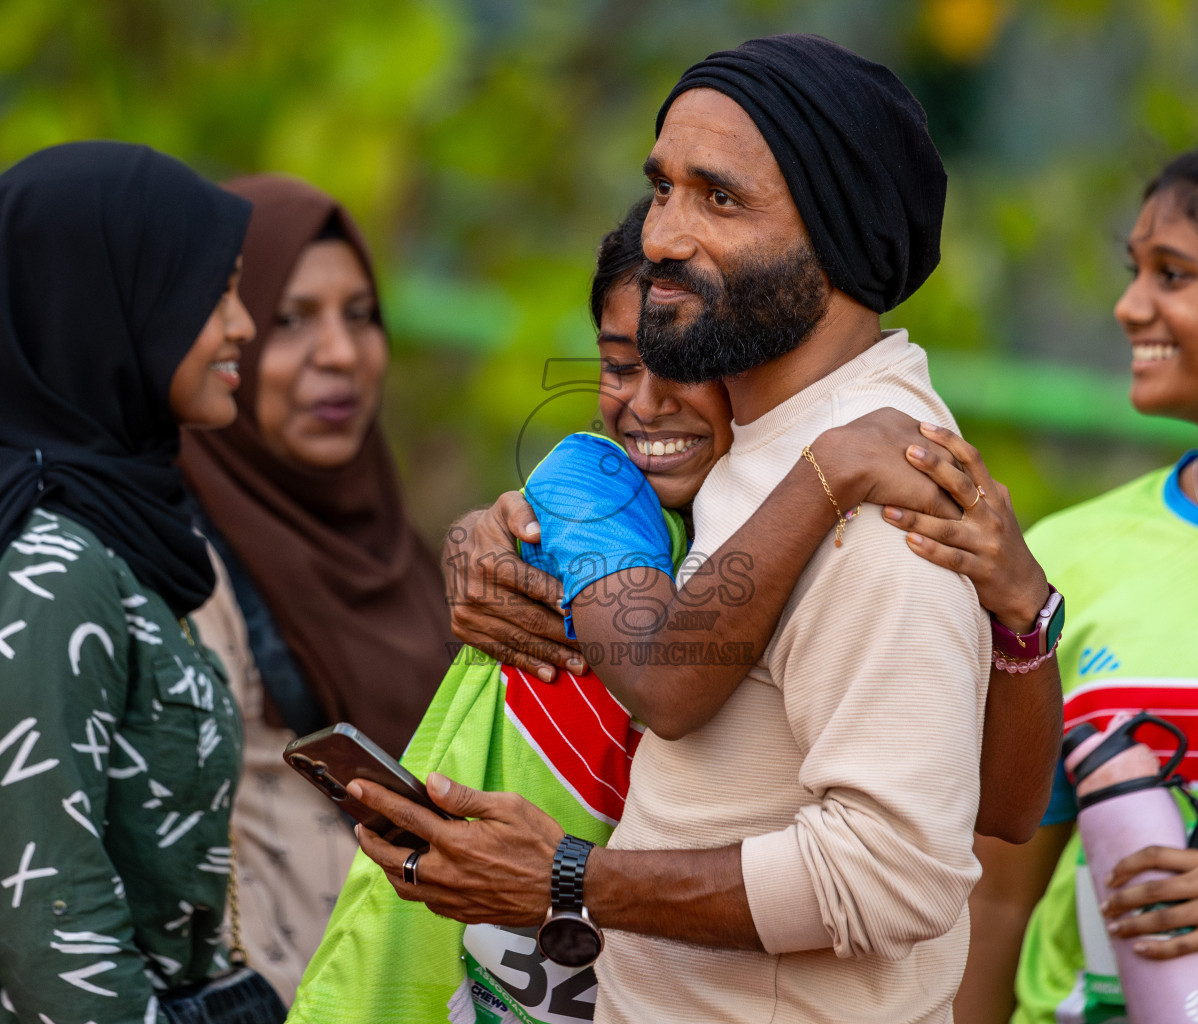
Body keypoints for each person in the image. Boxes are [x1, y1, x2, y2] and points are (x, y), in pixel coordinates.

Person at [346, 36, 1071, 1024]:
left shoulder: (889, 508)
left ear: (838, 234)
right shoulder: (778, 445)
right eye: (663, 189)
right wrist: (496, 529)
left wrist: (569, 879)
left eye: (719, 199)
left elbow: (894, 876)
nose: (663, 237)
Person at [941, 142, 1198, 1024]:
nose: (1129, 307)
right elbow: (997, 896)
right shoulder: (1062, 558)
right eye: (1134, 271)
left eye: (1172, 275)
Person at [0, 141, 257, 1023]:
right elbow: (55, 935)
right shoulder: (50, 565)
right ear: (105, 309)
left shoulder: (115, 537)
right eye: (215, 290)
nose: (243, 324)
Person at [179, 174, 453, 1003]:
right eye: (291, 318)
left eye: (360, 315)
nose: (339, 352)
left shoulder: (403, 552)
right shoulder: (179, 565)